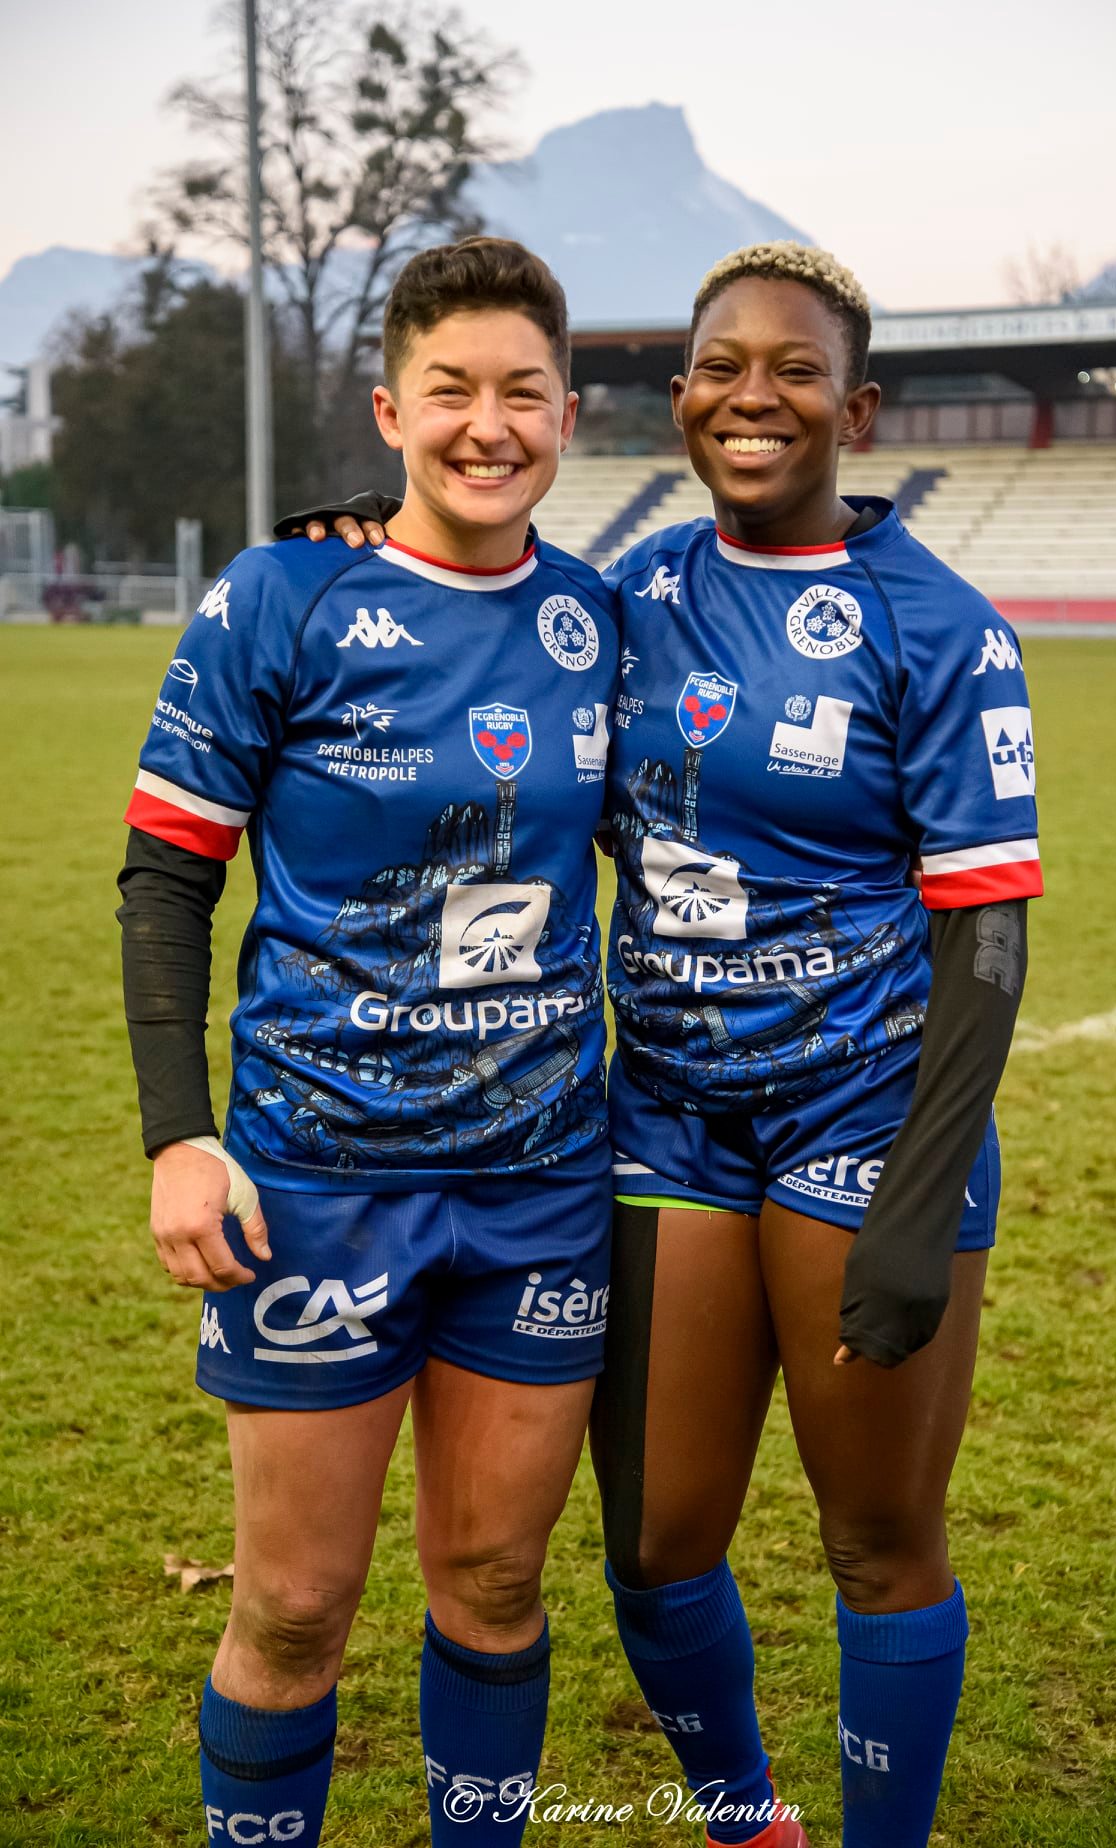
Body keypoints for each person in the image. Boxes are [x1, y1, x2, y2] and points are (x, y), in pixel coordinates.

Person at [289, 239, 1042, 1848]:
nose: (747, 395)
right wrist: (358, 543)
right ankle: (743, 1818)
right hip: (670, 1120)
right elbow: (463, 594)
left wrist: (917, 1201)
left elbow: (985, 930)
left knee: (874, 1544)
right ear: (680, 394)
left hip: (866, 1117)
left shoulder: (941, 626)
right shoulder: (621, 606)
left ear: (857, 403)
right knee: (653, 1545)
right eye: (717, 365)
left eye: (790, 367)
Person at [117, 237, 620, 1848]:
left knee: (492, 1580)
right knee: (292, 1607)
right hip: (317, 1187)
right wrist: (176, 1133)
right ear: (390, 408)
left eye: (523, 394)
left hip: (541, 1188)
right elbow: (166, 874)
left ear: (567, 416)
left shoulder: (601, 620)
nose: (490, 426)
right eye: (453, 392)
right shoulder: (282, 596)